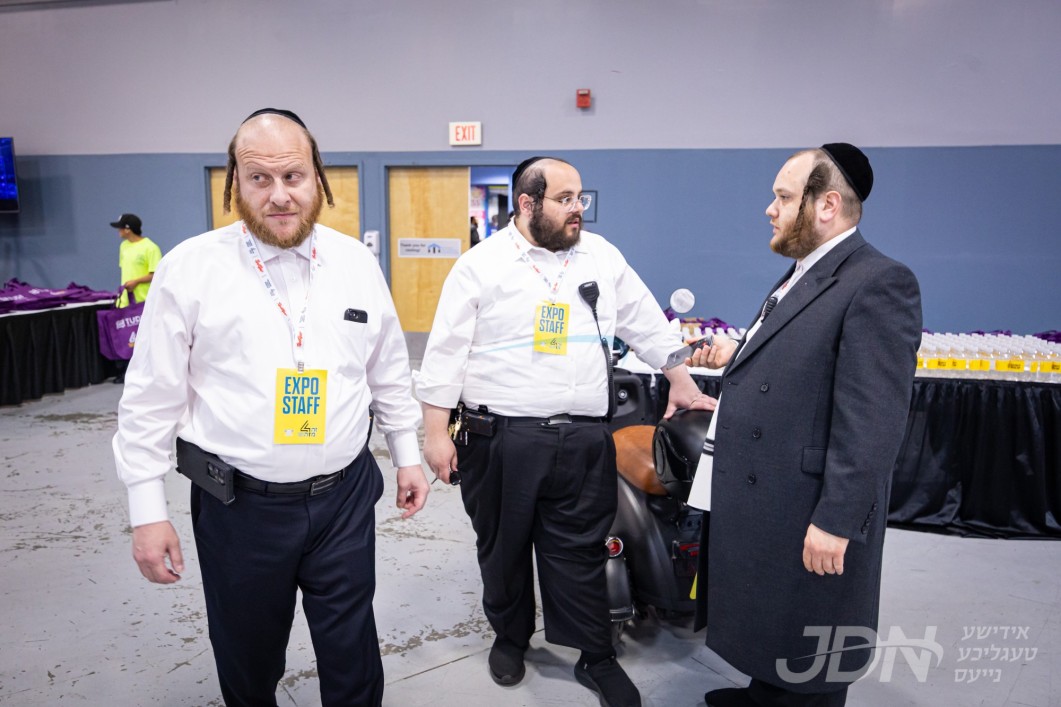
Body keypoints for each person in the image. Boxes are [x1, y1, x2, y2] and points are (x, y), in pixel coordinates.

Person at [112, 108, 429, 707]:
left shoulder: (356, 263)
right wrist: (146, 510)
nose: (279, 195)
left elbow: (386, 366)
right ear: (235, 183)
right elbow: (150, 398)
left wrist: (406, 454)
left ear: (318, 179)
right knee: (249, 654)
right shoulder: (190, 268)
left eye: (293, 176)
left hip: (344, 496)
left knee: (352, 648)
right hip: (240, 509)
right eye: (259, 178)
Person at [416, 156, 714, 707]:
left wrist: (682, 382)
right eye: (565, 199)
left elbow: (646, 321)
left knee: (581, 552)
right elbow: (444, 354)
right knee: (503, 550)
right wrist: (435, 434)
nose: (579, 208)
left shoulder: (600, 256)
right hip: (500, 438)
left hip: (582, 439)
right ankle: (510, 639)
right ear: (527, 204)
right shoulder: (481, 265)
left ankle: (595, 655)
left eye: (581, 198)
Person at [686, 144, 922, 707]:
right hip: (773, 493)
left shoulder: (878, 281)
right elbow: (804, 356)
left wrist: (837, 521)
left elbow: (873, 419)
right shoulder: (803, 273)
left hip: (808, 502)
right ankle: (763, 693)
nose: (770, 209)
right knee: (774, 621)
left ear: (826, 205)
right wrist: (740, 352)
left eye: (783, 197)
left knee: (809, 641)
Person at [110, 213, 162, 383]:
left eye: (120, 227)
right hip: (126, 301)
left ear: (128, 229)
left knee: (146, 338)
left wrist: (137, 281)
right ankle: (126, 372)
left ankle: (148, 372)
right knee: (126, 337)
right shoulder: (123, 247)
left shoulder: (151, 248)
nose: (118, 231)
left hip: (144, 301)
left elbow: (156, 274)